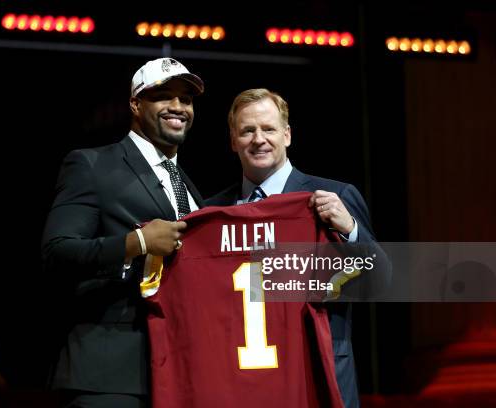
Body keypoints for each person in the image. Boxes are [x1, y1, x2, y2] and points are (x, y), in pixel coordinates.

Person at [206, 88, 392, 408]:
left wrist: (350, 230)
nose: (258, 139)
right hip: (244, 383)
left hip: (317, 376)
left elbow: (380, 282)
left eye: (268, 128)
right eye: (247, 130)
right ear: (233, 141)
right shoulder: (212, 213)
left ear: (287, 135)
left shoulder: (335, 196)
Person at [42, 57, 205, 408]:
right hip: (109, 372)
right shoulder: (92, 164)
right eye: (164, 96)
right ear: (135, 103)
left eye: (186, 99)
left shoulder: (190, 187)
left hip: (177, 369)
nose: (178, 107)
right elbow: (57, 251)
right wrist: (138, 243)